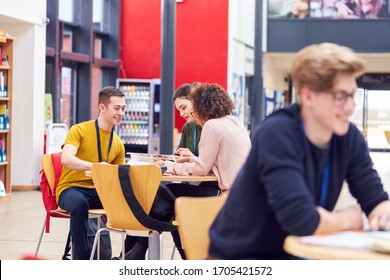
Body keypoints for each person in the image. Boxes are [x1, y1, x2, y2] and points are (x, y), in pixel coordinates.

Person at [208, 43, 390, 260]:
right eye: (341, 96)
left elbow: (375, 197)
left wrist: (382, 214)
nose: (350, 106)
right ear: (308, 96)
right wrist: (347, 219)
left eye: (353, 95)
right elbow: (301, 220)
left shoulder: (348, 137)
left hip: (299, 256)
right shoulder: (277, 133)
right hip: (243, 259)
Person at [155, 83, 252, 259]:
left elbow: (201, 169)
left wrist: (171, 166)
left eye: (189, 109)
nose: (189, 115)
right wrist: (192, 159)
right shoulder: (236, 123)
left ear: (199, 106)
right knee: (172, 205)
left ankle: (182, 255)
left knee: (167, 193)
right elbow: (219, 162)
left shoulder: (211, 126)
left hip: (223, 197)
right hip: (243, 196)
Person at [56, 86, 126, 260]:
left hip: (98, 191)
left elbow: (117, 177)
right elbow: (66, 159)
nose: (121, 113)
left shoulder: (117, 143)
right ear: (102, 107)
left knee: (136, 204)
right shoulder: (79, 130)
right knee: (80, 204)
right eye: (116, 108)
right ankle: (80, 262)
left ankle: (130, 256)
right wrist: (95, 166)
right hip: (70, 189)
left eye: (123, 108)